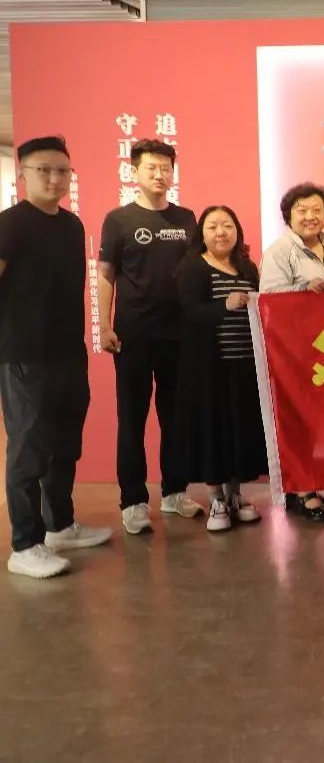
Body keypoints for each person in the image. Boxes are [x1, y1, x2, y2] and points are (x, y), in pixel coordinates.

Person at [2, 136, 112, 578]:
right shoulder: (10, 224)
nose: (54, 178)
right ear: (23, 174)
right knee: (29, 446)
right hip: (24, 354)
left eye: (62, 170)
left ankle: (59, 526)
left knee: (65, 441)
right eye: (43, 170)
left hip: (68, 350)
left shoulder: (72, 226)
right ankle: (24, 545)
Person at [97, 138, 203, 535]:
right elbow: (105, 274)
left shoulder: (186, 218)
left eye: (165, 168)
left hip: (180, 336)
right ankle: (133, 501)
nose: (160, 175)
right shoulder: (118, 220)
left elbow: (197, 271)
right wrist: (104, 325)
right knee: (132, 419)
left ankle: (175, 492)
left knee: (176, 417)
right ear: (134, 172)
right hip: (133, 335)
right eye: (151, 168)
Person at [174, 206, 266, 533]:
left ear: (237, 231)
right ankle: (216, 500)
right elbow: (189, 313)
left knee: (239, 432)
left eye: (227, 225)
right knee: (213, 432)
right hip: (209, 369)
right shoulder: (192, 267)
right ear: (202, 233)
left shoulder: (248, 268)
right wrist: (224, 305)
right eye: (212, 226)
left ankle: (235, 496)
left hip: (245, 366)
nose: (221, 232)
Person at [259, 181, 324, 523]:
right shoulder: (280, 252)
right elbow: (269, 299)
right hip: (294, 349)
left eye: (316, 210)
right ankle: (302, 491)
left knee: (316, 420)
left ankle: (308, 484)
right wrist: (303, 288)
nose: (310, 216)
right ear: (288, 216)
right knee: (298, 420)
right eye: (301, 210)